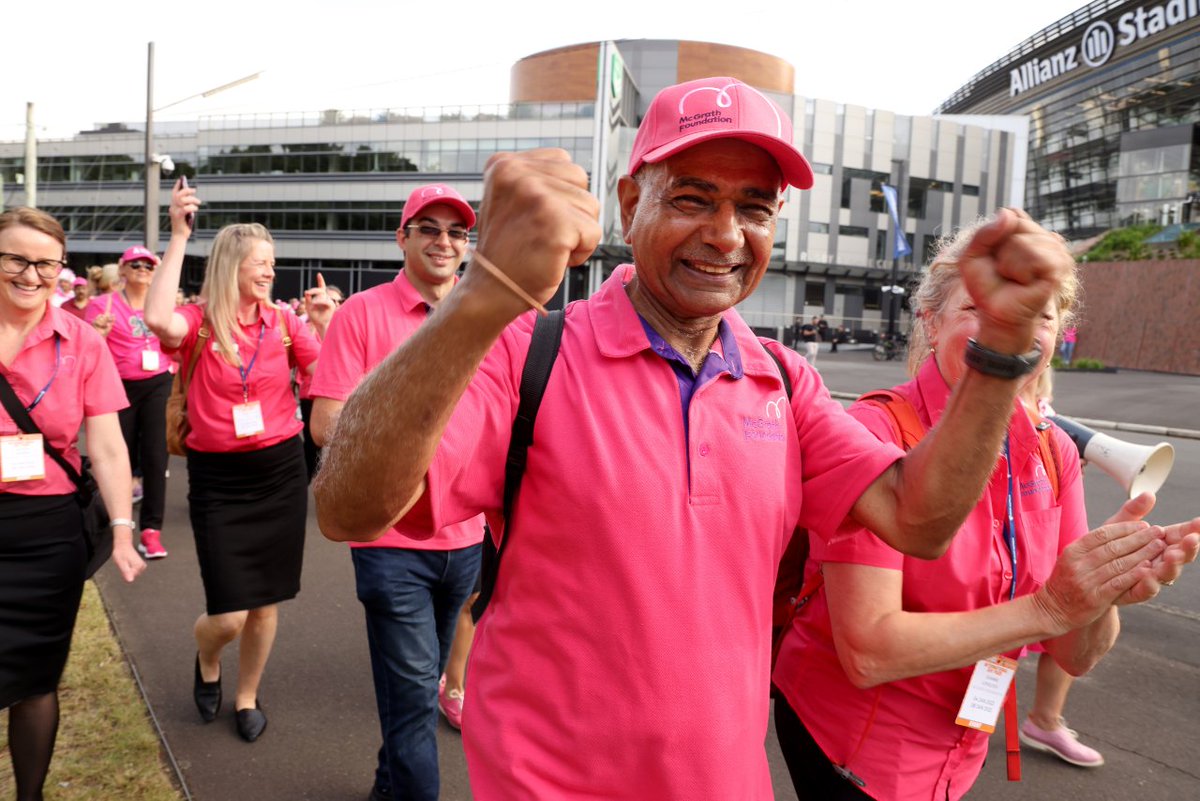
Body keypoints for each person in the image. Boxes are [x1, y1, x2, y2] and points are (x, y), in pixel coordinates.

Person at [314, 76, 1083, 799]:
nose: (725, 234)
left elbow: (920, 517)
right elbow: (348, 507)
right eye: (692, 198)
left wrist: (999, 354)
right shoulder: (530, 354)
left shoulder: (784, 380)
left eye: (755, 207)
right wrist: (486, 291)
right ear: (629, 203)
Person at [770, 221, 1199, 801]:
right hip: (857, 746)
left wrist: (1104, 587)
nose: (1011, 328)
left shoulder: (1053, 450)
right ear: (931, 321)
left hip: (962, 749)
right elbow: (869, 652)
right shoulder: (877, 430)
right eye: (979, 308)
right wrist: (1050, 608)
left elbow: (1076, 657)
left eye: (1039, 315)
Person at [309, 183, 484, 801]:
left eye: (456, 232)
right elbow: (326, 424)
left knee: (419, 685)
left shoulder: (485, 316)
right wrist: (410, 430)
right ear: (401, 238)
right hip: (390, 541)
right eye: (428, 228)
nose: (444, 242)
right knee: (413, 700)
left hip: (466, 539)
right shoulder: (361, 314)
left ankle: (388, 789)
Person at [144, 180, 333, 743]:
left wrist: (325, 323)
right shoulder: (198, 323)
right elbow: (156, 318)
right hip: (219, 481)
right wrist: (178, 236)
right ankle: (208, 658)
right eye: (260, 262)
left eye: (272, 262)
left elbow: (331, 377)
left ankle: (247, 694)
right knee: (228, 614)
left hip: (279, 473)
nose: (270, 271)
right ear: (232, 266)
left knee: (266, 605)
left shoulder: (284, 323)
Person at [0, 208, 145, 801]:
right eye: (16, 259)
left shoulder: (81, 340)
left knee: (36, 680)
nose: (31, 274)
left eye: (46, 263)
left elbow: (107, 447)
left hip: (47, 538)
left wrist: (122, 529)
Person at [1017, 369, 1103, 767]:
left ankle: (1044, 720)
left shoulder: (1048, 422)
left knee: (1066, 620)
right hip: (1010, 536)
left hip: (1041, 532)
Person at [87, 246, 173, 559]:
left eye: (148, 266)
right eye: (135, 265)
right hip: (118, 386)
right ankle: (114, 523)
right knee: (116, 455)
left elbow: (176, 340)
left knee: (156, 457)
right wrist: (99, 333)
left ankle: (151, 531)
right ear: (122, 269)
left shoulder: (163, 304)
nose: (142, 270)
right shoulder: (102, 305)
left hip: (158, 383)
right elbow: (89, 349)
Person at [296, 279, 342, 482]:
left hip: (339, 395)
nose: (333, 304)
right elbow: (314, 366)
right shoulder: (306, 329)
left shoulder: (346, 328)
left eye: (337, 300)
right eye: (330, 299)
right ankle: (307, 479)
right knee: (313, 444)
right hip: (311, 394)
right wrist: (321, 325)